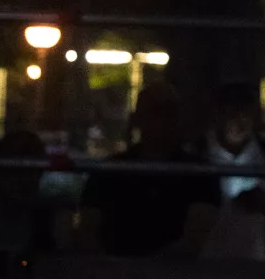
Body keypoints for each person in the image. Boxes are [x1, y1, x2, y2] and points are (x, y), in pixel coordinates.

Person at [79, 82, 219, 257]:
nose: (162, 120)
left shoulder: (200, 174)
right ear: (138, 118)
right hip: (118, 276)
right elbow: (88, 232)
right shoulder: (110, 170)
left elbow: (194, 239)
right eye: (155, 111)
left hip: (171, 276)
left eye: (169, 112)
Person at [200, 80, 265, 262]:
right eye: (232, 112)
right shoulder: (198, 153)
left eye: (245, 113)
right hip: (204, 262)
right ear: (218, 115)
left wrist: (262, 203)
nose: (238, 120)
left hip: (255, 262)